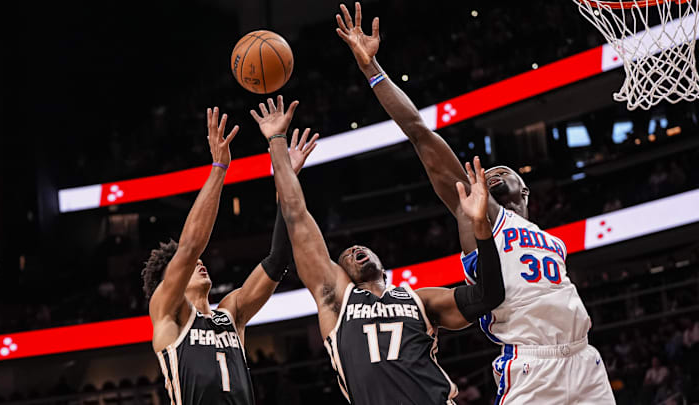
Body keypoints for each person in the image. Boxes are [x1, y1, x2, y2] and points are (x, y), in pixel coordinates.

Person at [335, 3, 615, 403]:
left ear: (526, 193)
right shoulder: (476, 211)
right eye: (491, 169)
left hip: (585, 359)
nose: (496, 171)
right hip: (533, 363)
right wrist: (372, 70)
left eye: (506, 170)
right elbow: (419, 133)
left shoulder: (550, 239)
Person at [249, 95, 505, 405]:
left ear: (383, 266)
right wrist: (278, 142)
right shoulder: (336, 298)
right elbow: (295, 214)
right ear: (339, 272)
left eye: (361, 247)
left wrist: (480, 228)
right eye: (346, 254)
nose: (355, 248)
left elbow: (488, 296)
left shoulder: (419, 299)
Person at [141, 106, 317, 405]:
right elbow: (190, 247)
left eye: (200, 262)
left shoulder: (231, 313)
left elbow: (277, 260)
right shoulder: (168, 312)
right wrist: (219, 167)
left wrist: (286, 176)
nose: (200, 262)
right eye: (185, 266)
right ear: (168, 280)